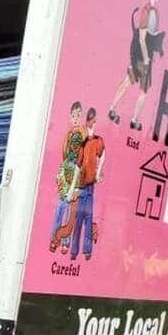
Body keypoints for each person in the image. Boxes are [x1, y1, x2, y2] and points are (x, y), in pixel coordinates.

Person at [108, 0, 163, 131]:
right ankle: (129, 118)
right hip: (142, 59)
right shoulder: (147, 11)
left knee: (132, 84)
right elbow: (141, 38)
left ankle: (116, 111)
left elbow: (150, 37)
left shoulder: (155, 12)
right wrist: (146, 58)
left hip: (145, 58)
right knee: (141, 89)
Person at [68, 108, 105, 261]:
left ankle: (83, 251)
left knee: (87, 218)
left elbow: (103, 156)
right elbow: (77, 166)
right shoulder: (85, 144)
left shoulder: (98, 140)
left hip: (89, 187)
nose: (92, 127)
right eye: (91, 124)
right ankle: (76, 252)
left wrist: (98, 173)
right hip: (82, 187)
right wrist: (71, 189)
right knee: (79, 219)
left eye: (93, 123)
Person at [50, 101, 85, 253]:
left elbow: (81, 160)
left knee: (71, 211)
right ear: (70, 116)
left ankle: (65, 242)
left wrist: (74, 186)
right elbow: (64, 157)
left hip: (77, 176)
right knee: (60, 208)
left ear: (81, 116)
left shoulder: (83, 135)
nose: (76, 118)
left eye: (78, 115)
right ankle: (54, 239)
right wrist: (60, 173)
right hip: (66, 172)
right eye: (73, 115)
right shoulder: (68, 135)